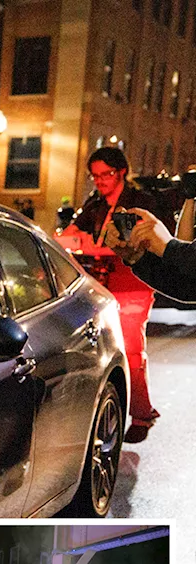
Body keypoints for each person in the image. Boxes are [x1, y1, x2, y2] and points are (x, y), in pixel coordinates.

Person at [60, 147, 164, 442]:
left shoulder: (137, 202)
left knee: (130, 349)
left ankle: (142, 414)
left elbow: (128, 245)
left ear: (120, 172)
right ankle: (106, 412)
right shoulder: (95, 204)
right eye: (95, 175)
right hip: (101, 284)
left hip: (132, 283)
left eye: (106, 174)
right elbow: (70, 235)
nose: (100, 181)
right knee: (98, 351)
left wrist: (91, 245)